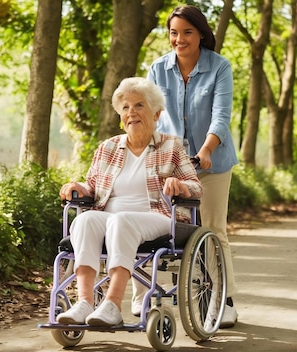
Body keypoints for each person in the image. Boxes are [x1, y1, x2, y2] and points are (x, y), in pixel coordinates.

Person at [56, 77, 202, 327]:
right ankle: (84, 302)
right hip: (110, 217)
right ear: (120, 116)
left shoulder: (171, 146)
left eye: (139, 105)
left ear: (156, 114)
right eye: (125, 108)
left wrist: (181, 186)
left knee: (121, 221)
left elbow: (196, 186)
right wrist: (78, 187)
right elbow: (93, 187)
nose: (131, 112)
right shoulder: (107, 148)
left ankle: (112, 305)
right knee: (84, 220)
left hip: (157, 217)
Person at [144, 4, 239, 328]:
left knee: (212, 229)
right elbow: (150, 113)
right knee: (152, 225)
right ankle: (142, 292)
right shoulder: (158, 69)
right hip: (169, 163)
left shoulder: (219, 67)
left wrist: (207, 149)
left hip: (211, 163)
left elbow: (221, 116)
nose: (179, 39)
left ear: (201, 34)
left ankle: (222, 300)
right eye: (174, 32)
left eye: (187, 32)